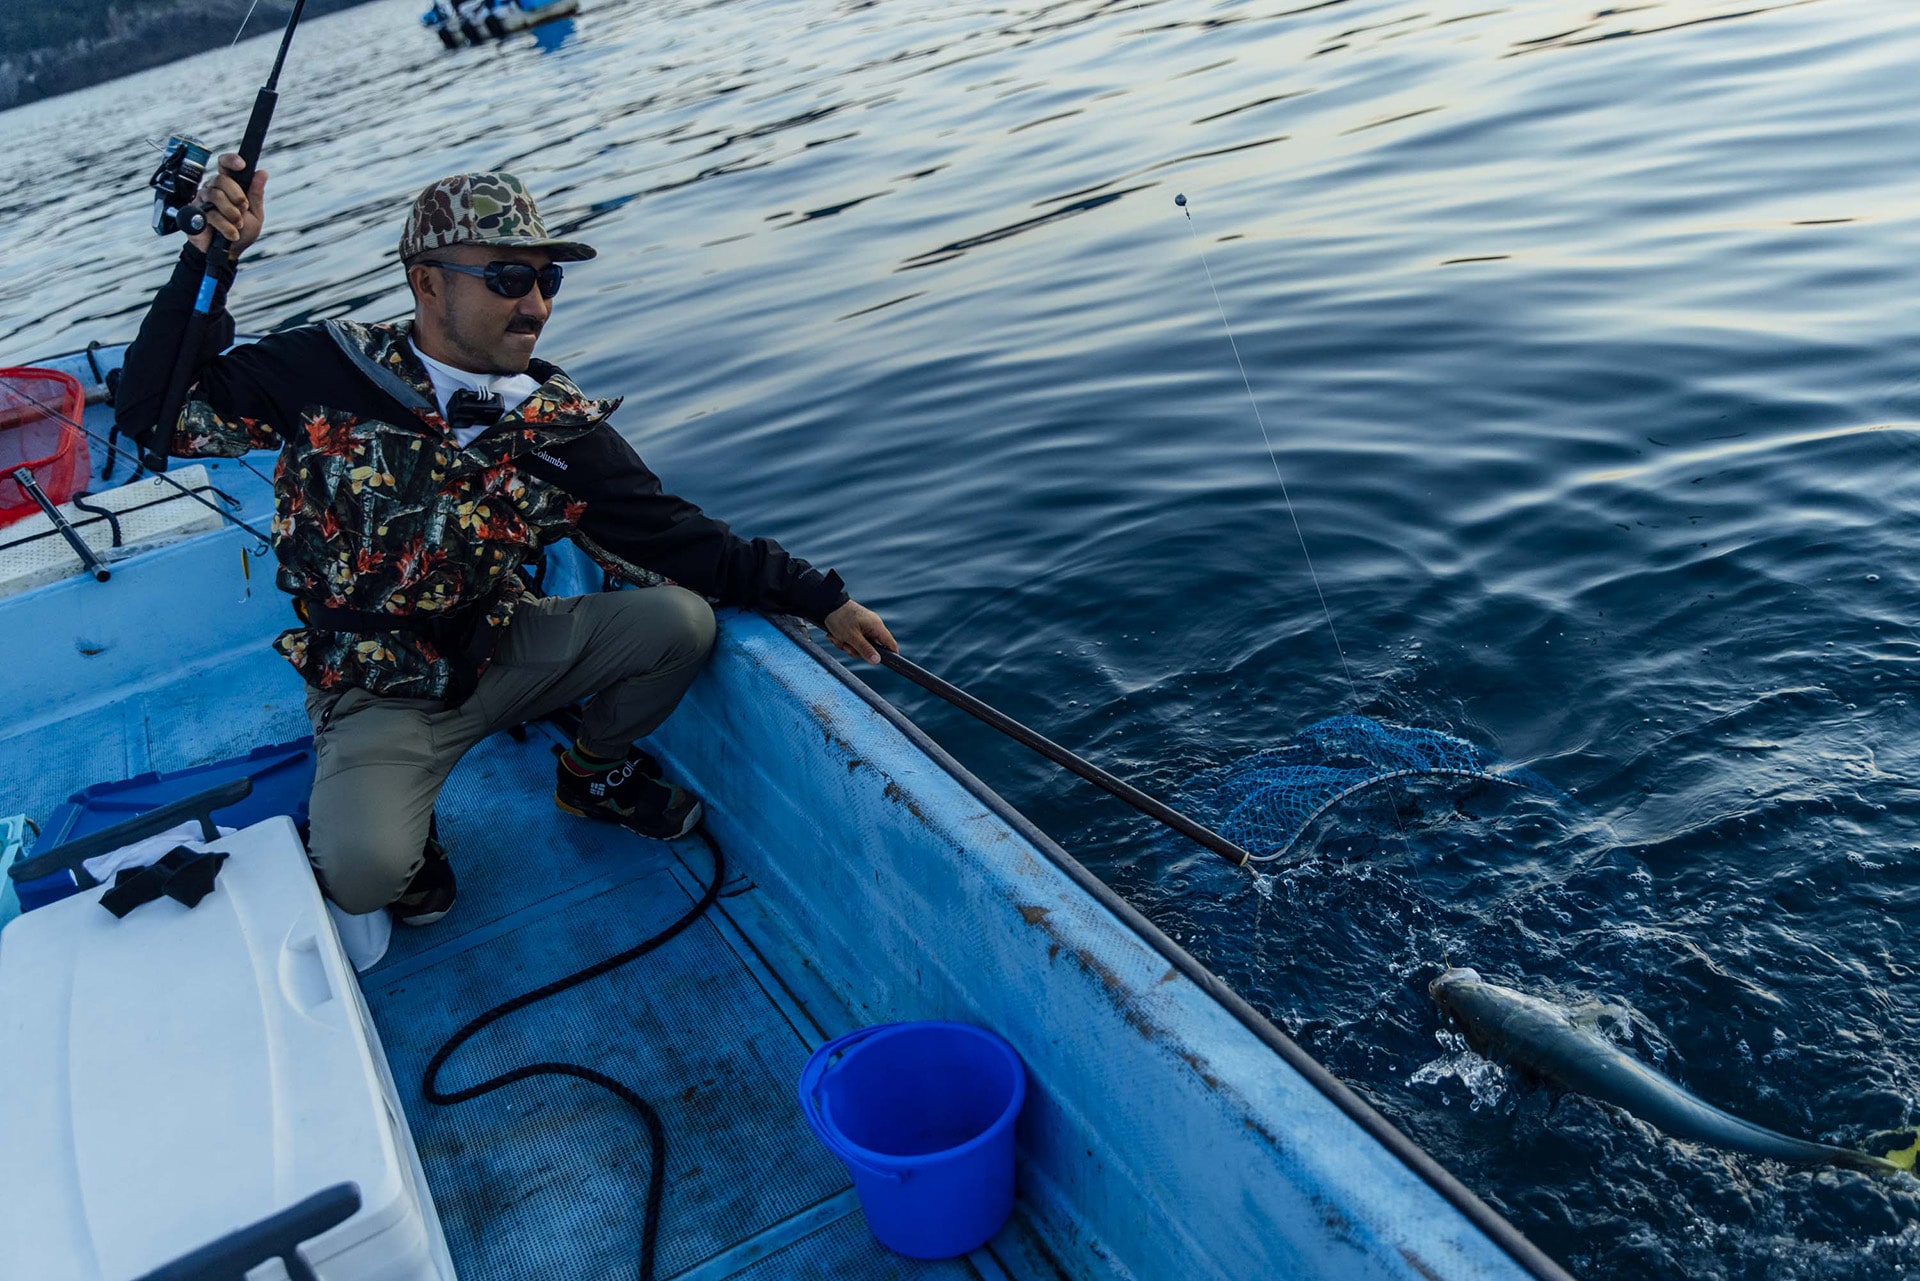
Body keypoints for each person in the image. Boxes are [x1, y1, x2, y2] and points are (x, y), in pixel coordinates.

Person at [116, 155, 897, 926]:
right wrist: (209, 257)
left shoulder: (551, 424)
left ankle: (590, 773)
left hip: (500, 645)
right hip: (372, 685)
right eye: (507, 278)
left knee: (680, 622)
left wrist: (819, 597)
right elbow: (153, 416)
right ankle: (407, 829)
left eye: (547, 279)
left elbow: (676, 536)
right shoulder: (324, 368)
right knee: (364, 876)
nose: (536, 306)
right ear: (427, 283)